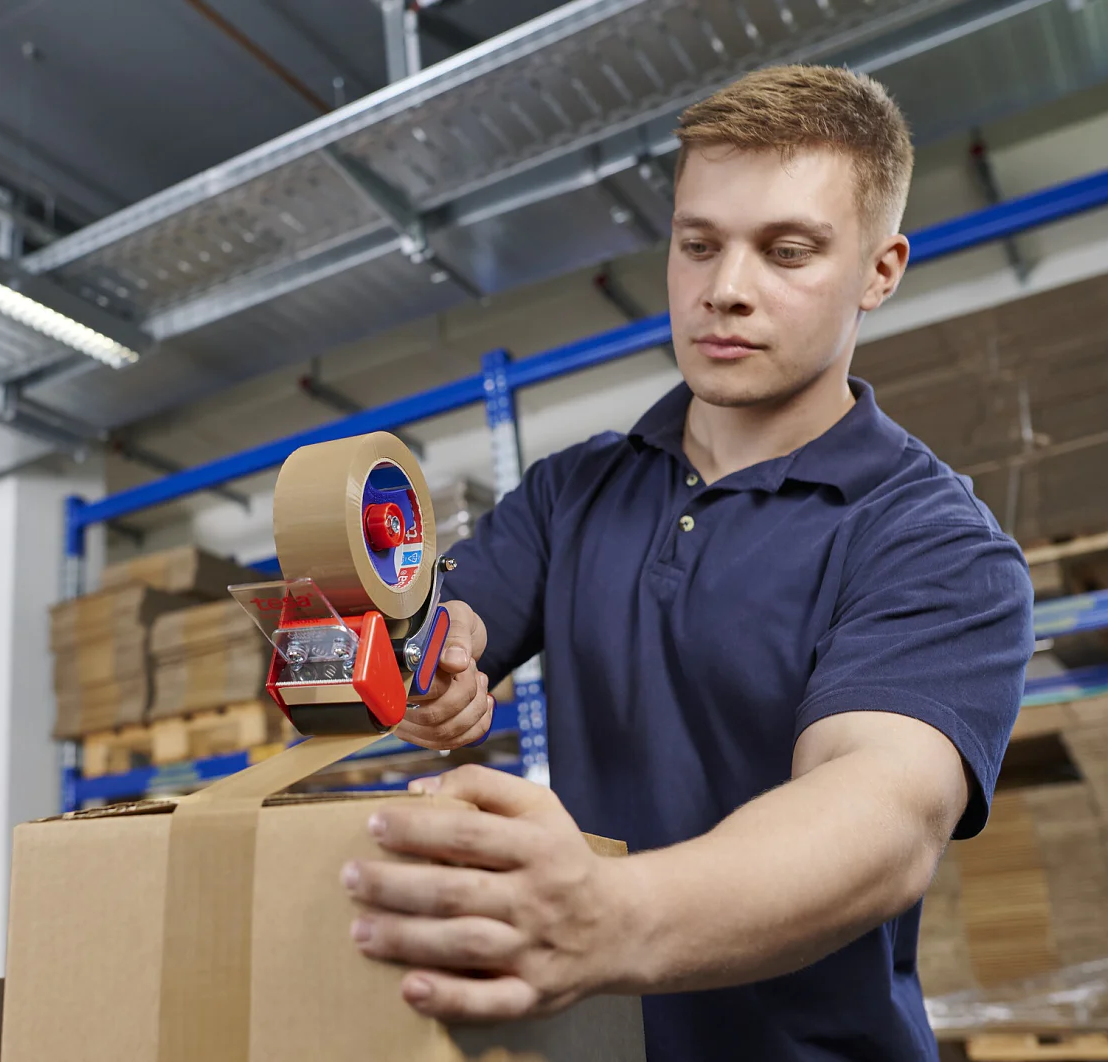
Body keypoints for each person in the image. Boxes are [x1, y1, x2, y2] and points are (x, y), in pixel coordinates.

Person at [341, 65, 1036, 1061]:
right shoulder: (572, 492)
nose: (725, 290)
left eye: (786, 251)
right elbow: (459, 621)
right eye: (697, 244)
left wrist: (611, 917)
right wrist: (435, 662)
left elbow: (879, 811)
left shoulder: (930, 541)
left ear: (880, 271)